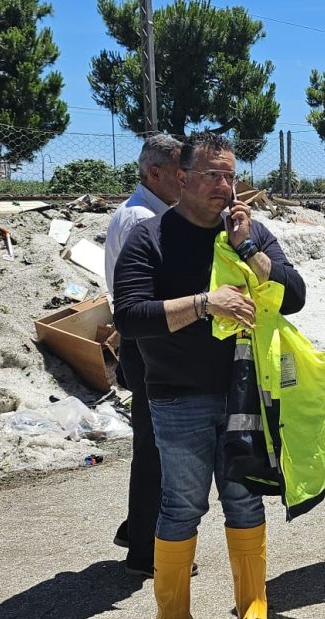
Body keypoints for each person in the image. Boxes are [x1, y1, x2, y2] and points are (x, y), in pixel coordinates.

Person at [114, 132, 306, 619]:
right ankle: (172, 618)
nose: (224, 186)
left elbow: (295, 297)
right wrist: (205, 303)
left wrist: (248, 250)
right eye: (212, 175)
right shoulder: (149, 236)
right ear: (182, 178)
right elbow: (132, 317)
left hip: (247, 392)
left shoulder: (248, 233)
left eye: (230, 175)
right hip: (179, 396)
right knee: (182, 504)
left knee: (245, 499)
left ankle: (253, 613)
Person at [103, 133, 183, 578]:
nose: (187, 181)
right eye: (180, 173)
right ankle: (144, 552)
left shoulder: (149, 212)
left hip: (147, 339)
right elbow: (151, 295)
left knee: (155, 445)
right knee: (157, 449)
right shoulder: (140, 219)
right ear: (155, 173)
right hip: (149, 341)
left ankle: (136, 530)